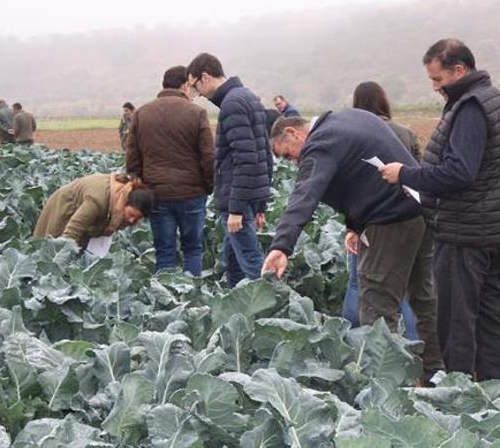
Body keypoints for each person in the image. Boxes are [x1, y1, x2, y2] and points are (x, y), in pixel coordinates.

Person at [262, 112, 444, 379]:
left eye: (289, 155)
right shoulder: (347, 118)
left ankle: (387, 392)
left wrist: (281, 246)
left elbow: (305, 193)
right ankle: (435, 375)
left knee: (377, 306)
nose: (295, 162)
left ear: (292, 133)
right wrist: (355, 225)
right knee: (423, 298)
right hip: (418, 212)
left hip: (389, 221)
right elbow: (361, 177)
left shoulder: (320, 142)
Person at [379, 39, 500, 382]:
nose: (436, 88)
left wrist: (406, 174)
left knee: (455, 321)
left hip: (465, 232)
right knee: (490, 316)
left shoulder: (470, 108)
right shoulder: (496, 99)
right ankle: (496, 392)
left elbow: (460, 172)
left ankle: (458, 398)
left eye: (438, 80)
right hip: (493, 229)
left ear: (460, 70)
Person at [187, 53, 273, 286]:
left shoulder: (232, 104)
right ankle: (235, 301)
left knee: (250, 260)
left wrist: (236, 208)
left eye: (195, 87)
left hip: (237, 197)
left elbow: (245, 158)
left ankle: (274, 305)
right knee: (233, 258)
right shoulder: (247, 97)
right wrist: (260, 202)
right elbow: (264, 151)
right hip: (247, 195)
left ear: (205, 77)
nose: (199, 95)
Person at [347, 80, 420, 340]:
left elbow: (352, 186)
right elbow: (419, 176)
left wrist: (352, 227)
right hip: (409, 218)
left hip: (373, 221)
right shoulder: (405, 133)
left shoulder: (354, 135)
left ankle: (363, 341)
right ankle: (413, 344)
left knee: (367, 285)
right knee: (407, 286)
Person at [126, 66, 214, 275]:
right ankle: (193, 300)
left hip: (157, 194)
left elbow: (132, 157)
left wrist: (139, 185)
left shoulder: (141, 113)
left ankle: (165, 302)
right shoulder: (197, 113)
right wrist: (208, 186)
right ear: (185, 85)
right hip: (192, 194)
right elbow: (208, 156)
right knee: (192, 249)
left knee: (164, 251)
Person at [33, 173, 154, 249]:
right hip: (65, 208)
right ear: (125, 202)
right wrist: (62, 255)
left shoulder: (119, 198)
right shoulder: (97, 200)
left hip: (88, 217)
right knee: (50, 249)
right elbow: (74, 228)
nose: (132, 220)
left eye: (137, 218)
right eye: (131, 214)